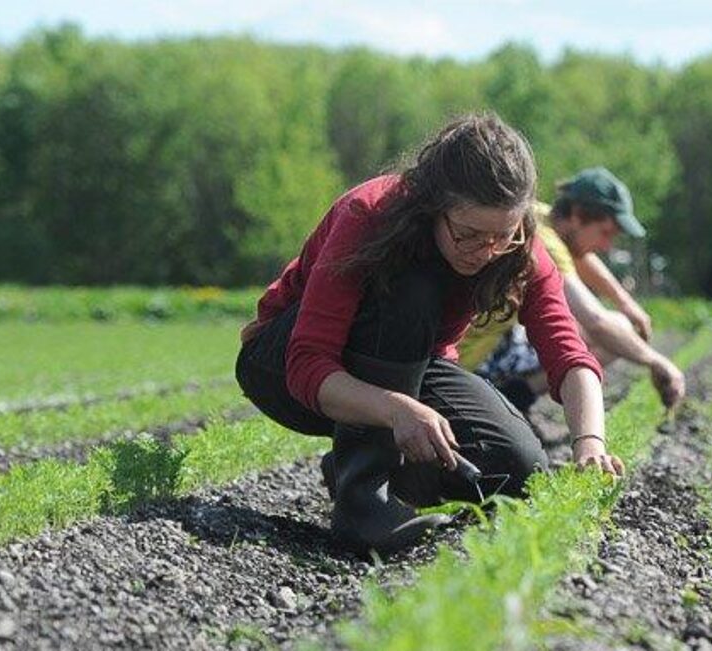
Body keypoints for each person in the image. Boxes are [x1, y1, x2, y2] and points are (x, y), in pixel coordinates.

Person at [235, 114, 621, 555]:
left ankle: (364, 467)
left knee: (517, 467)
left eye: (503, 235)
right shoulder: (370, 215)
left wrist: (590, 444)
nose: (486, 252)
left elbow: (568, 355)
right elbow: (307, 363)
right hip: (281, 363)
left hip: (406, 365)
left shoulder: (520, 250)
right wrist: (395, 409)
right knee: (411, 288)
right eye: (469, 234)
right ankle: (364, 507)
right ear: (433, 207)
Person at [462, 167, 685, 416]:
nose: (606, 245)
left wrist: (624, 302)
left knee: (618, 326)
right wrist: (656, 361)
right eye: (606, 232)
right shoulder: (548, 244)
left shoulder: (539, 215)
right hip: (468, 362)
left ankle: (513, 394)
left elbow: (583, 258)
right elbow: (597, 321)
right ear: (578, 215)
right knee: (614, 331)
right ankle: (510, 397)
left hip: (491, 337)